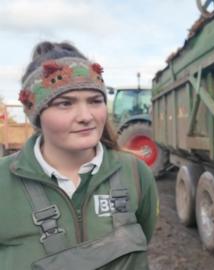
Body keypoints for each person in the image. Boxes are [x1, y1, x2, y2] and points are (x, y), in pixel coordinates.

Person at [0, 41, 159, 269]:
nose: (86, 116)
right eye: (65, 103)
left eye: (95, 101)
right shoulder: (4, 181)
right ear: (36, 114)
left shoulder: (134, 173)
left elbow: (145, 234)